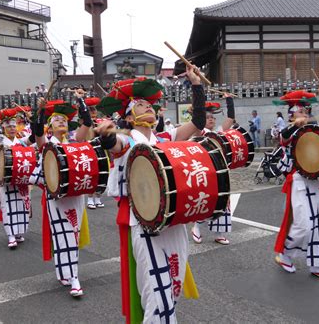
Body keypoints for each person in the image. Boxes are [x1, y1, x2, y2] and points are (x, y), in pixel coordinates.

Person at [95, 66, 205, 323]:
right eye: (141, 105)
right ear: (130, 117)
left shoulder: (167, 137)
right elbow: (113, 145)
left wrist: (197, 86)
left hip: (173, 223)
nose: (148, 108)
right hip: (145, 224)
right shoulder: (128, 140)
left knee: (173, 289)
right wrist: (107, 134)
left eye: (150, 105)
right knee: (157, 296)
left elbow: (198, 122)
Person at [31, 92, 93, 297]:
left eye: (65, 119)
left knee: (71, 235)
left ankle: (66, 272)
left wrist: (81, 101)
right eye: (57, 119)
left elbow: (87, 122)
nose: (62, 121)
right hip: (55, 197)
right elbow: (37, 130)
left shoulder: (75, 140)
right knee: (63, 236)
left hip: (75, 195)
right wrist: (39, 111)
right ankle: (73, 277)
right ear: (50, 126)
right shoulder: (46, 144)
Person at [274, 85, 319, 280]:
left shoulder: (314, 128)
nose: (304, 113)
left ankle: (317, 265)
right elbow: (283, 139)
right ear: (292, 114)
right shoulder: (290, 131)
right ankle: (285, 254)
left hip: (318, 180)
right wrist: (294, 124)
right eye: (300, 111)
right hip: (300, 181)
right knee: (304, 225)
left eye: (305, 110)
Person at [191, 93, 235, 246]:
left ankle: (219, 233)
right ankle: (197, 227)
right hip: (204, 171)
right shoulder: (198, 132)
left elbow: (230, 119)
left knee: (223, 201)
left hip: (220, 172)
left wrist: (229, 100)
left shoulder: (218, 132)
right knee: (206, 201)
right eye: (207, 117)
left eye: (213, 117)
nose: (211, 119)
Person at [0, 108, 35, 249]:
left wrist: (32, 121)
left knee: (22, 206)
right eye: (9, 126)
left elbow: (33, 138)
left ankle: (19, 232)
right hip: (6, 180)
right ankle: (10, 235)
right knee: (8, 206)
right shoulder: (1, 142)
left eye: (14, 126)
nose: (12, 129)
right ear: (4, 128)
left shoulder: (21, 141)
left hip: (21, 180)